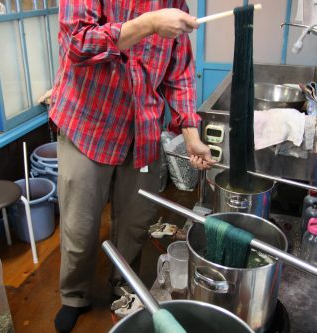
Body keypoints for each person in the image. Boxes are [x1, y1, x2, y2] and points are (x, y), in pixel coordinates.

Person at [49, 1, 215, 331]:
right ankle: (74, 295)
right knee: (80, 225)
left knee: (135, 223)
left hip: (142, 130)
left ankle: (124, 288)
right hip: (87, 125)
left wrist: (191, 133)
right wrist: (150, 23)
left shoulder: (174, 6)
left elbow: (179, 76)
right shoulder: (156, 15)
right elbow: (77, 43)